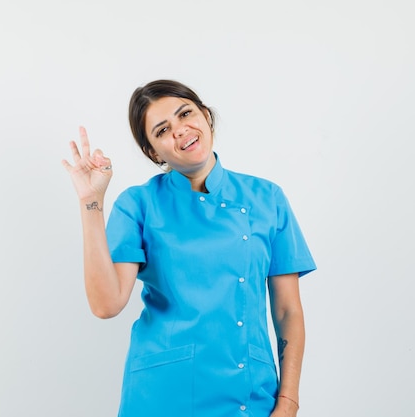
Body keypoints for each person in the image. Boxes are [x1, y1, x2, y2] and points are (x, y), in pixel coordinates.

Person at [61, 79, 316, 417]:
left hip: (249, 394)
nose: (181, 131)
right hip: (162, 396)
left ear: (206, 116)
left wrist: (288, 401)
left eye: (186, 114)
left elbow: (288, 312)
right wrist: (90, 202)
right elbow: (106, 305)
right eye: (163, 130)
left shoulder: (267, 199)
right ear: (153, 152)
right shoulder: (138, 204)